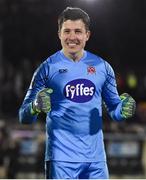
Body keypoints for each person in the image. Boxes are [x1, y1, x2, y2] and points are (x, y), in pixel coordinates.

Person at [19, 7, 136, 179]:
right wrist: (35, 106)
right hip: (61, 160)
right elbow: (24, 116)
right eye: (67, 31)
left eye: (78, 31)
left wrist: (123, 109)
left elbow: (114, 110)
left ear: (87, 35)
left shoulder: (103, 67)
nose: (72, 37)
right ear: (59, 33)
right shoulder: (46, 68)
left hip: (96, 162)